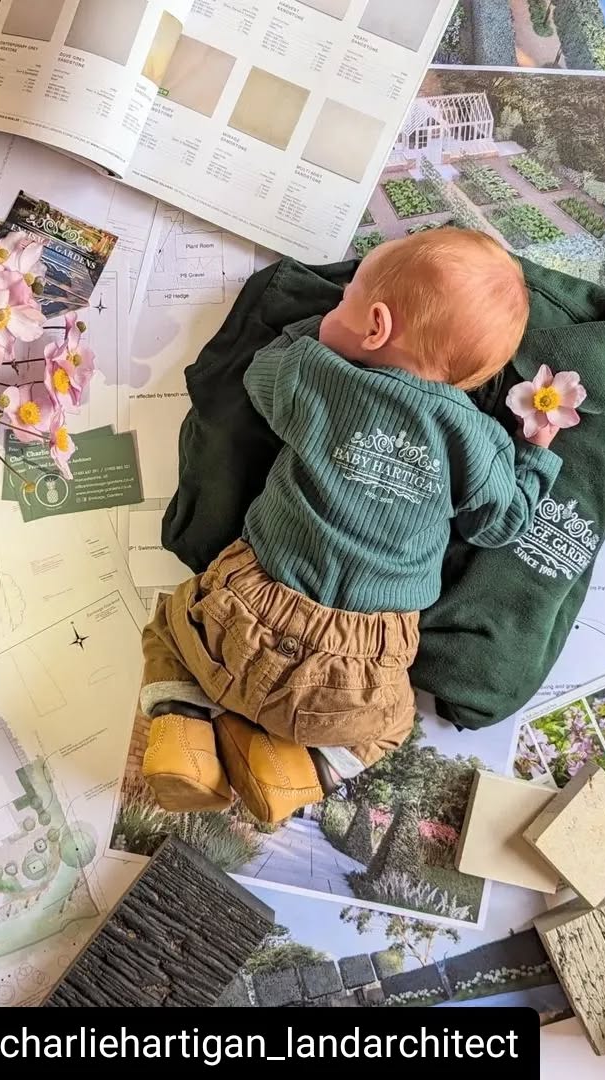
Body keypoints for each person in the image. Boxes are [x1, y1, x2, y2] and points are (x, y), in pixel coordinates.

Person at [140, 229, 564, 823]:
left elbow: (260, 375)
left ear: (376, 327)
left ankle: (182, 740)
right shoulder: (480, 440)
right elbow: (504, 525)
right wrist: (537, 454)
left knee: (169, 632)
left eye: (343, 303)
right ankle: (291, 771)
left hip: (242, 612)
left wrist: (308, 333)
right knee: (389, 728)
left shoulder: (316, 375)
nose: (332, 312)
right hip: (360, 664)